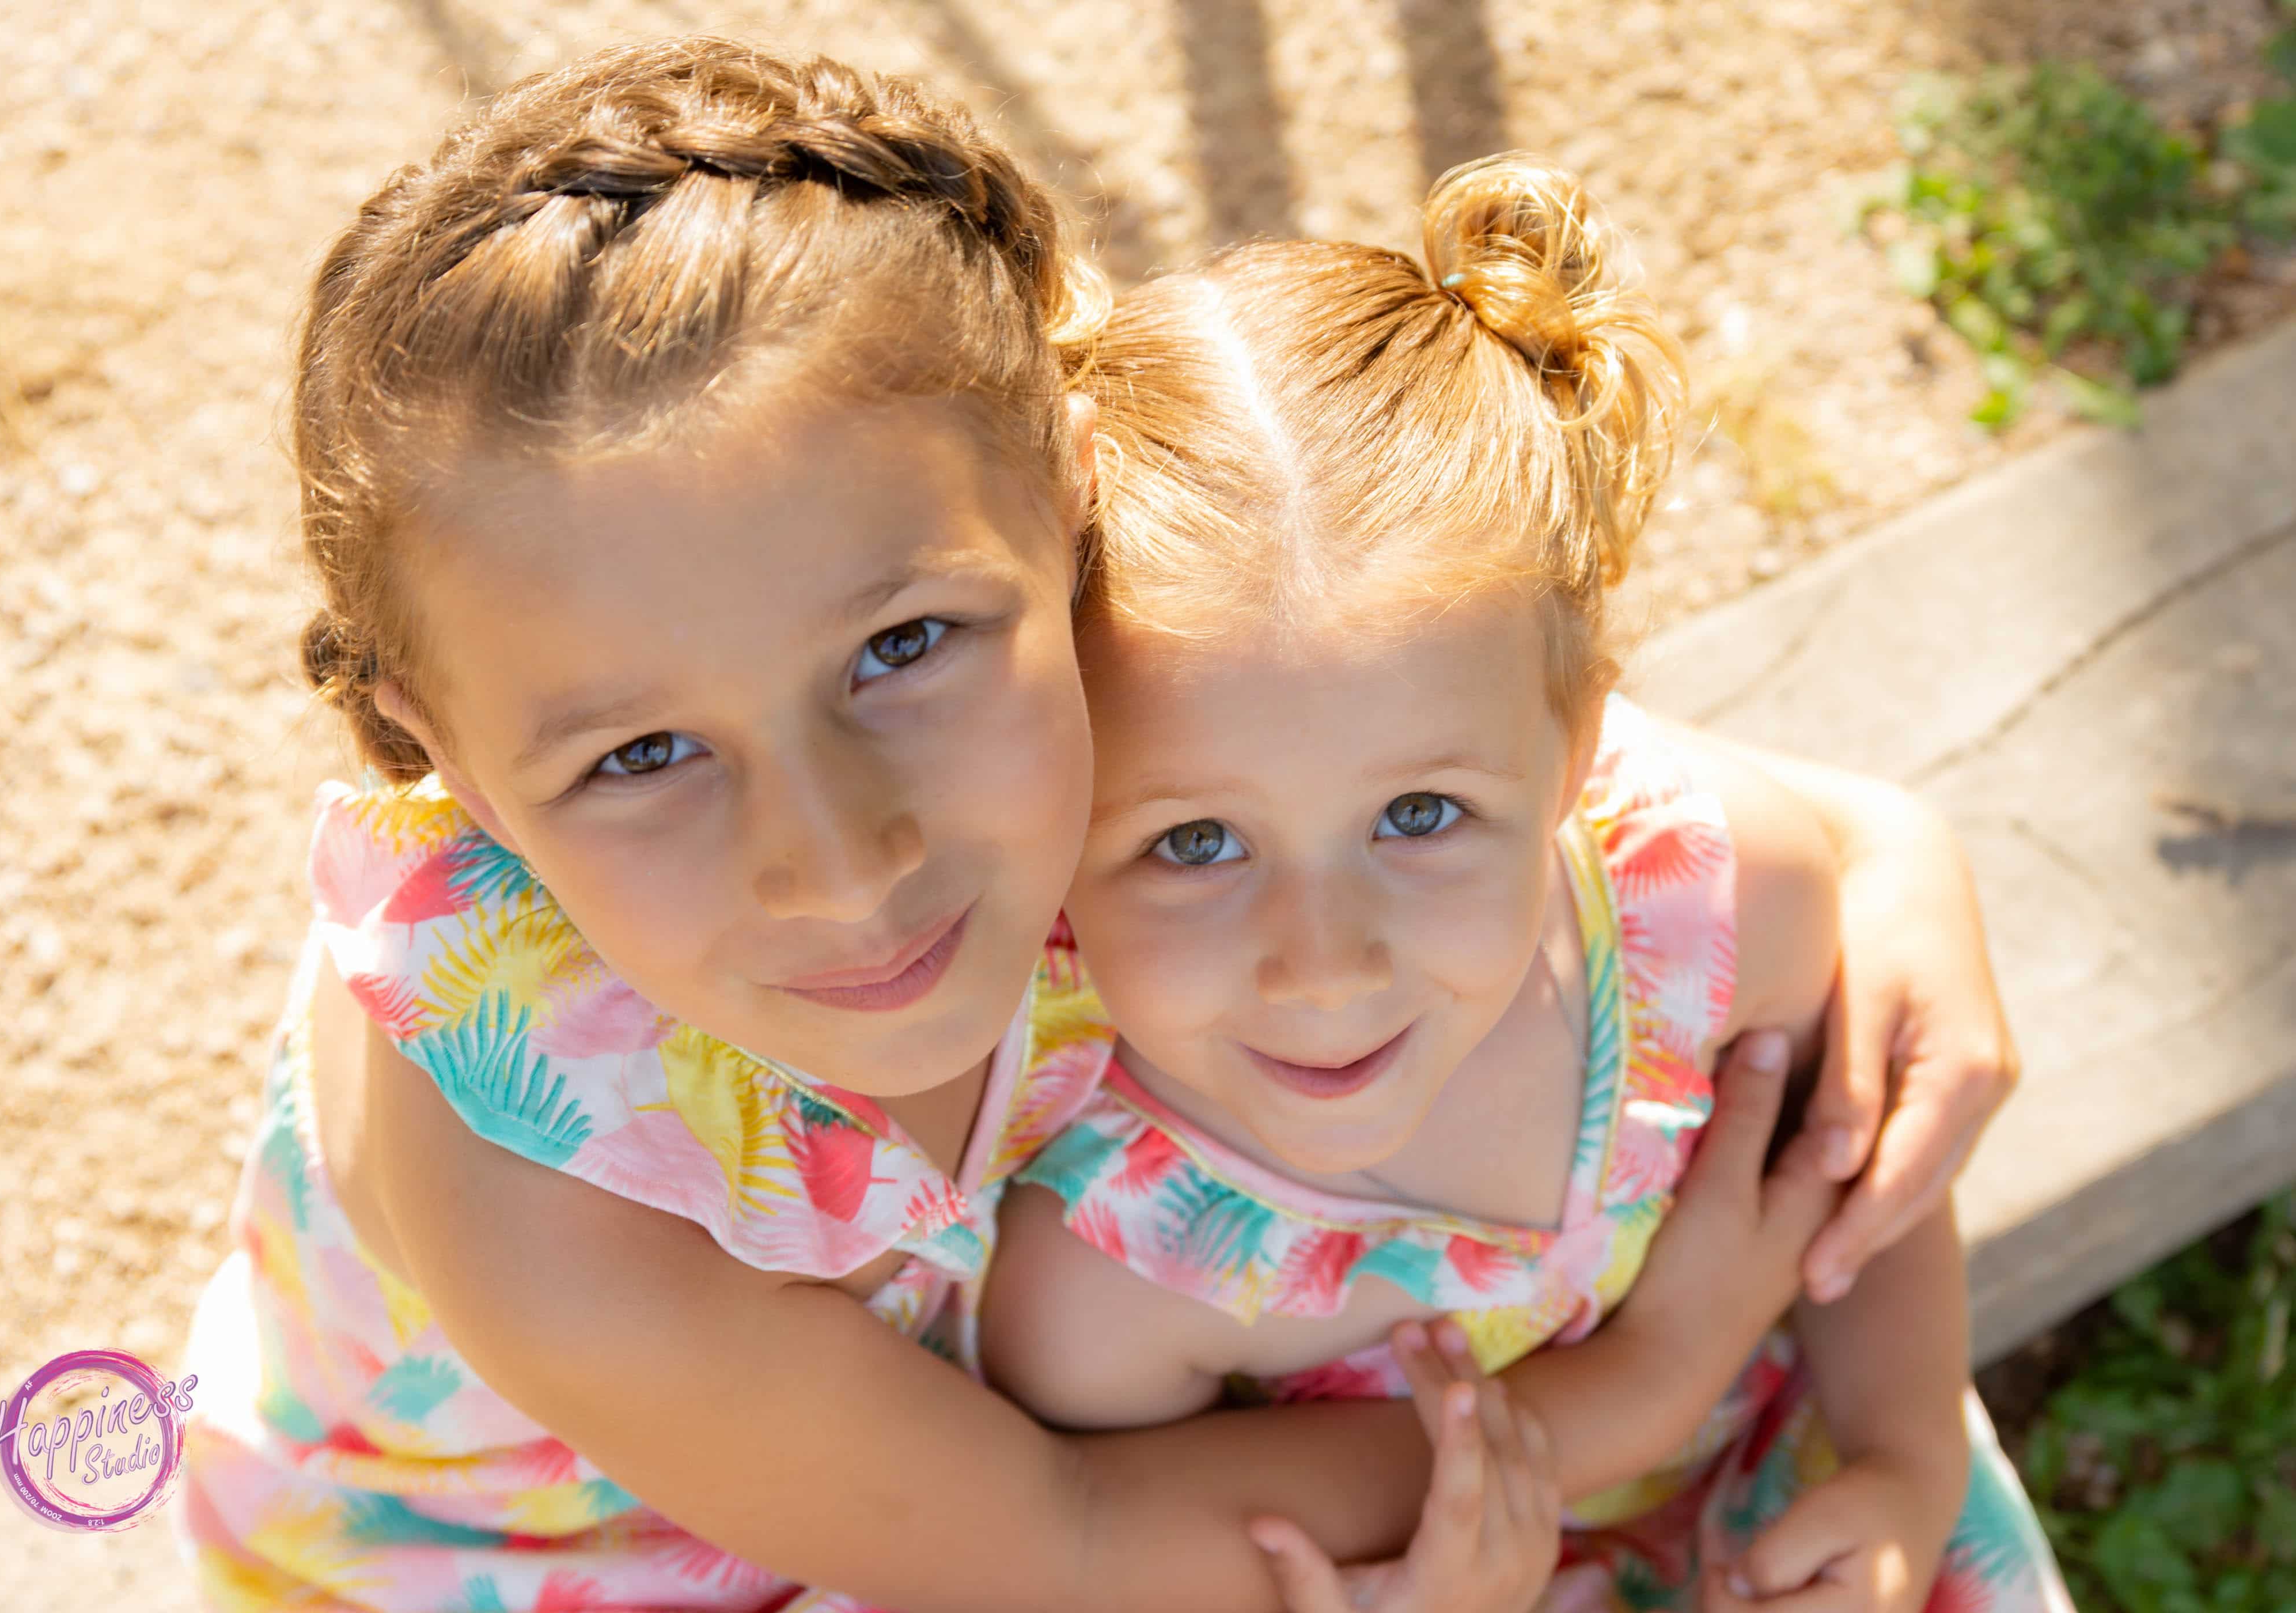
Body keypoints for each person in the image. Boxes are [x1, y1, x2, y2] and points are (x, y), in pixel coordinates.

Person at [177, 37, 2026, 1613]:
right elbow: (1053, 1540)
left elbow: (1480, 723)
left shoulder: (1092, 674)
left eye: (902, 647)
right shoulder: (525, 1175)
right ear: (451, 761)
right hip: (641, 1550)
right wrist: (1646, 1385)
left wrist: (1883, 862)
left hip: (1065, 1438)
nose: (843, 862)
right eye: (642, 759)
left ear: (1074, 505)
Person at [981, 153, 2075, 1612]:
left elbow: (1858, 1179)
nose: (1327, 963)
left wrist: (1901, 1462)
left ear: (1572, 752)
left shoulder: (1710, 911)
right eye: (1193, 842)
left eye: (1421, 812)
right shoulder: (1111, 1280)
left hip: (1788, 1486)